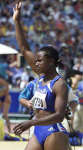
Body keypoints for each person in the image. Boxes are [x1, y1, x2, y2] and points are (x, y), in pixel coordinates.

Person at [13, 2, 71, 150]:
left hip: (54, 130)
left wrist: (31, 123)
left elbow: (59, 115)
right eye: (36, 61)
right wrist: (17, 21)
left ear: (51, 62)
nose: (36, 63)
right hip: (38, 130)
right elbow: (24, 48)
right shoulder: (41, 76)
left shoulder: (59, 84)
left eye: (39, 60)